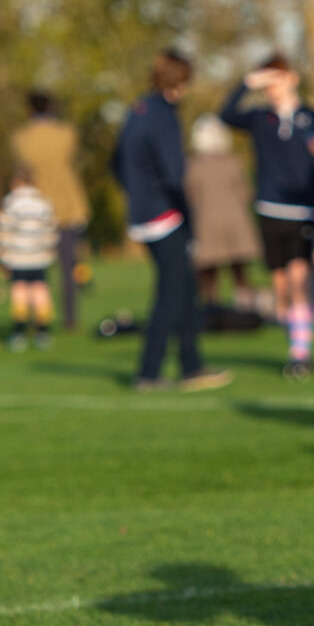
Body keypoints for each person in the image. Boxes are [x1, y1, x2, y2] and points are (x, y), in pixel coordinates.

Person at [112, 49, 232, 392]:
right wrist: (190, 219)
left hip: (142, 214)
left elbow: (116, 163)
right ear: (181, 82)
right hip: (165, 215)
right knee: (170, 294)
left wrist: (136, 194)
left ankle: (191, 365)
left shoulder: (137, 110)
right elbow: (175, 174)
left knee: (183, 290)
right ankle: (149, 372)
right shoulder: (164, 114)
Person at [220, 53, 314, 379]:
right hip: (268, 211)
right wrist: (248, 82)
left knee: (300, 282)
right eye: (267, 82)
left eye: (277, 79)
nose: (272, 88)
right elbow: (225, 115)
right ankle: (294, 345)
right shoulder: (259, 118)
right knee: (281, 288)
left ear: (292, 78)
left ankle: (300, 355)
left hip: (303, 211)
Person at [10, 89, 90, 331]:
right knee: (69, 264)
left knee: (34, 268)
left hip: (35, 206)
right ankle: (70, 318)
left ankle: (38, 319)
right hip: (67, 205)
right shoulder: (66, 133)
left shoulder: (21, 138)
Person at [184, 113, 261, 310]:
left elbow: (190, 196)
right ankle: (244, 306)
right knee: (239, 269)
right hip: (236, 221)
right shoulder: (234, 162)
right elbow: (246, 192)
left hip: (206, 222)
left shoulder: (193, 166)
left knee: (208, 270)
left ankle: (211, 307)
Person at [0, 166, 58, 350]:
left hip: (18, 258)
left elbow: (2, 233)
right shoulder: (44, 203)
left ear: (16, 183)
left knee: (19, 293)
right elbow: (51, 231)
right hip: (39, 257)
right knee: (40, 292)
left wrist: (1, 256)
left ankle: (19, 333)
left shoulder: (11, 203)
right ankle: (43, 332)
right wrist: (48, 253)